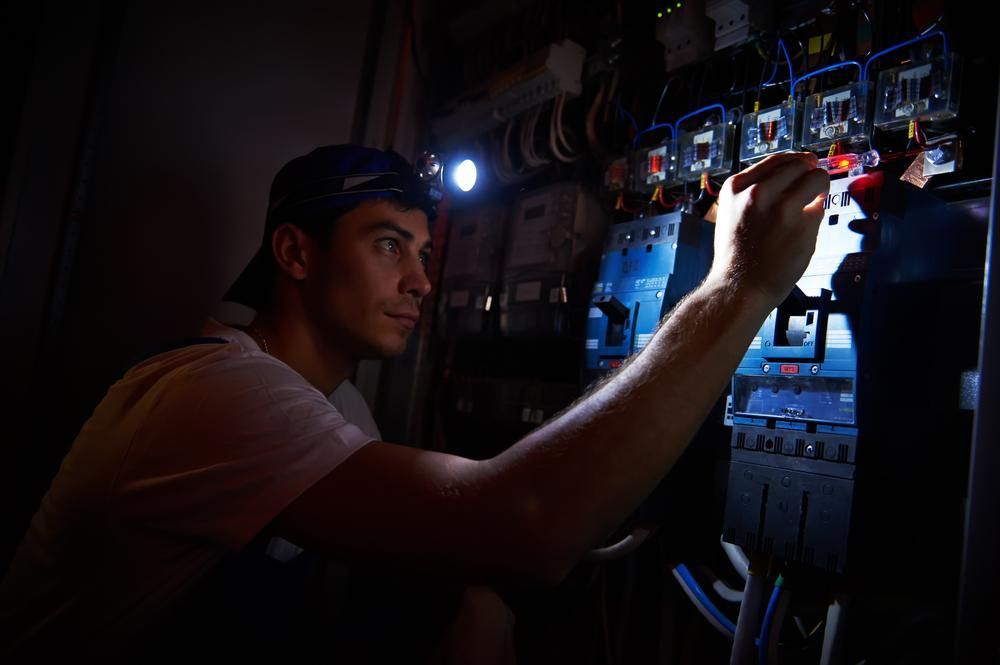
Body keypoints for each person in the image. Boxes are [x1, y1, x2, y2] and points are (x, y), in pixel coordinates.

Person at [0, 144, 829, 659]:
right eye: (388, 245)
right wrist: (743, 282)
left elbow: (470, 533)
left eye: (425, 252)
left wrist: (479, 592)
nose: (422, 282)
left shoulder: (338, 418)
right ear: (293, 251)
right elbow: (523, 524)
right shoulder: (214, 393)